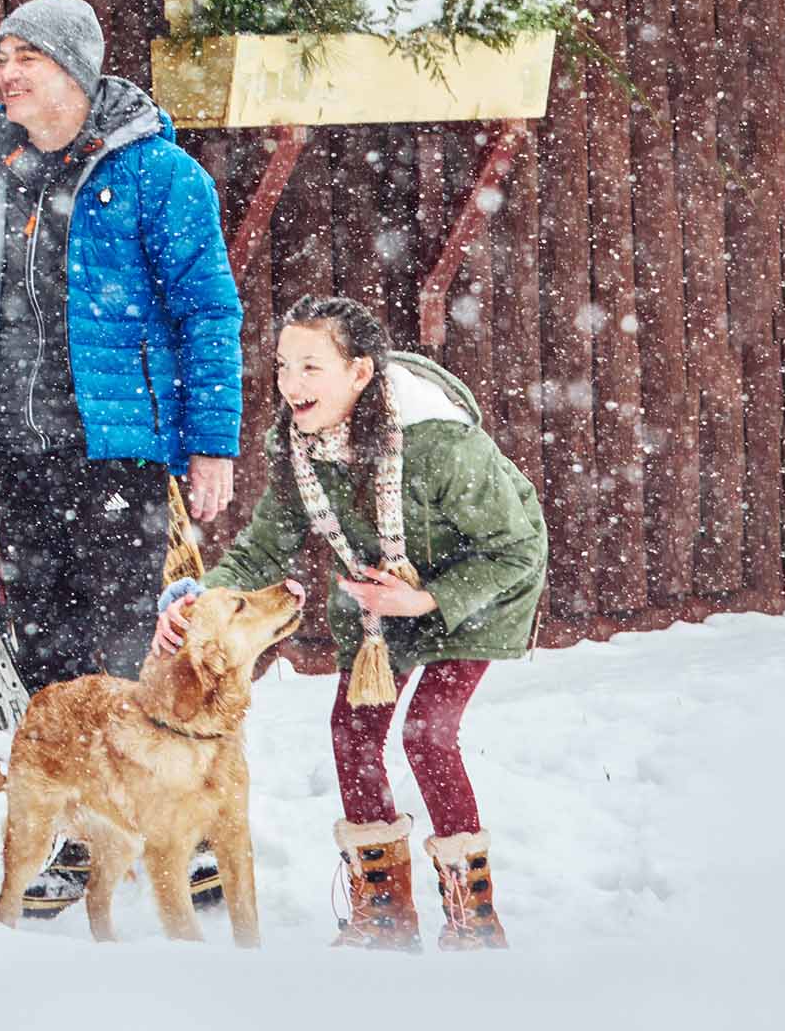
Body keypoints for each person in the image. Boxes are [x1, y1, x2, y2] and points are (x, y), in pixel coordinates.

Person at [0, 0, 243, 916]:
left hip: (118, 450)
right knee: (52, 658)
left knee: (121, 648)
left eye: (26, 55)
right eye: (1, 55)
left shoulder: (158, 174)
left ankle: (183, 834)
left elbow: (207, 313)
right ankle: (87, 834)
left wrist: (210, 444)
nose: (7, 71)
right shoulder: (2, 173)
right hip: (23, 455)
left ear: (75, 69)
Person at [154, 295, 547, 951]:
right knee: (353, 733)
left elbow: (515, 551)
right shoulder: (298, 445)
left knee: (428, 734)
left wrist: (426, 600)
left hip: (474, 587)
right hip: (379, 598)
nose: (290, 384)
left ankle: (474, 921)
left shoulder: (441, 444)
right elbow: (263, 547)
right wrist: (201, 604)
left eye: (311, 367)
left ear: (360, 373)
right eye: (283, 366)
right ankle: (384, 914)